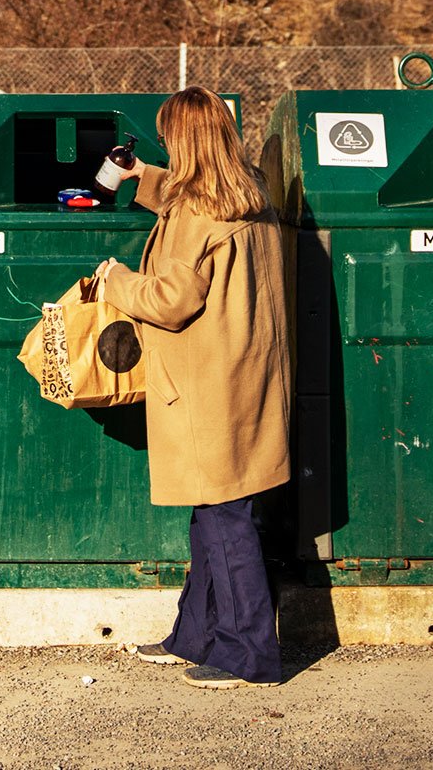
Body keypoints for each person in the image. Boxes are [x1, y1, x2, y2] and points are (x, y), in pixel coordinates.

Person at [93, 86, 291, 690]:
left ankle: (248, 655)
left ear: (186, 141)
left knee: (226, 520)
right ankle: (197, 634)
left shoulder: (196, 214)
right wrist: (143, 177)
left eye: (169, 139)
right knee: (217, 512)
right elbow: (193, 211)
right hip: (248, 376)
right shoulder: (249, 194)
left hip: (208, 386)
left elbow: (172, 299)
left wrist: (117, 281)